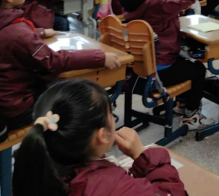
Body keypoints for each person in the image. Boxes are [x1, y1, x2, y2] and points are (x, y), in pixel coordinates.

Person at [0, 0, 120, 130]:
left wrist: (39, 32)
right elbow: (54, 62)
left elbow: (2, 39)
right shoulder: (17, 34)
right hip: (16, 109)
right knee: (76, 95)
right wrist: (99, 57)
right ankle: (60, 138)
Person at [13, 79, 187, 196]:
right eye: (110, 112)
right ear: (102, 135)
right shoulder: (114, 187)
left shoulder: (34, 168)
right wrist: (142, 155)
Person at [119, 0, 214, 130]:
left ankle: (181, 104)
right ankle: (191, 117)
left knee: (185, 59)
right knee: (198, 69)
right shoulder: (158, 2)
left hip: (141, 64)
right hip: (159, 67)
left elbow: (161, 4)